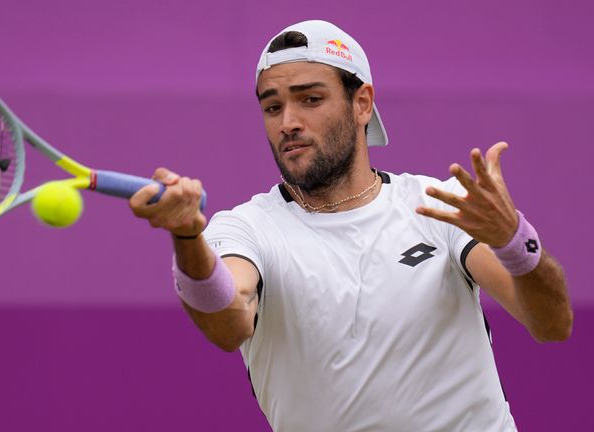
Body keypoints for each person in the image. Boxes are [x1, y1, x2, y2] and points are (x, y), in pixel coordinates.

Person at [129, 20, 573, 431]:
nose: (288, 123)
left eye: (310, 99)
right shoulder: (248, 228)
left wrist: (515, 242)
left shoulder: (438, 205)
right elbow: (227, 324)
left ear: (362, 103)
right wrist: (187, 235)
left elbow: (552, 325)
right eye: (272, 106)